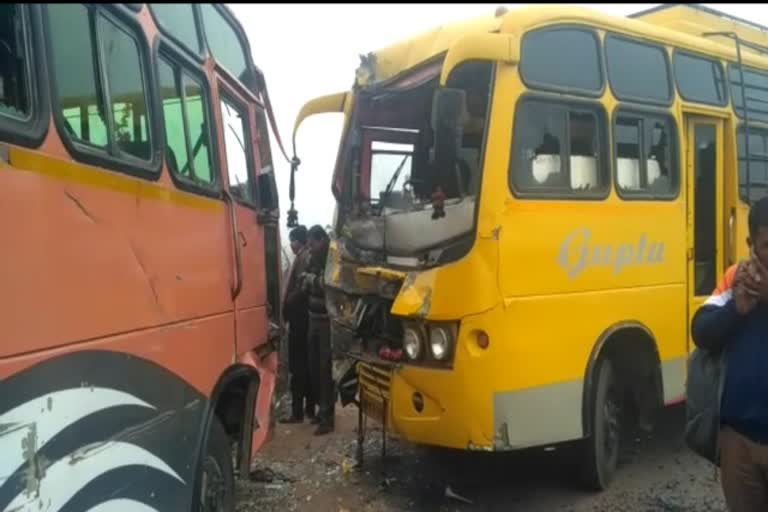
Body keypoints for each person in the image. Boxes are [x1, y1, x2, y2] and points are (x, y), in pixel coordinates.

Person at [691, 196, 768, 512]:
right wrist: (737, 309)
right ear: (751, 245)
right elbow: (701, 331)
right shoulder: (737, 277)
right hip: (739, 442)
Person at [279, 225, 315, 424]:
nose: (291, 244)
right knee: (306, 366)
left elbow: (300, 291)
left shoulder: (301, 259)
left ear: (298, 241)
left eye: (292, 240)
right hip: (304, 320)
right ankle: (308, 409)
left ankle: (298, 412)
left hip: (299, 321)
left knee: (298, 367)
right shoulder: (303, 257)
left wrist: (287, 304)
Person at [302, 225, 335, 436]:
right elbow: (310, 284)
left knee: (325, 369)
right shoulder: (313, 259)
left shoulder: (331, 258)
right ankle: (320, 412)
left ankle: (327, 417)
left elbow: (328, 283)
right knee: (314, 367)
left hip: (326, 323)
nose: (310, 248)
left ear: (322, 240)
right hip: (312, 320)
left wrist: (310, 280)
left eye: (312, 243)